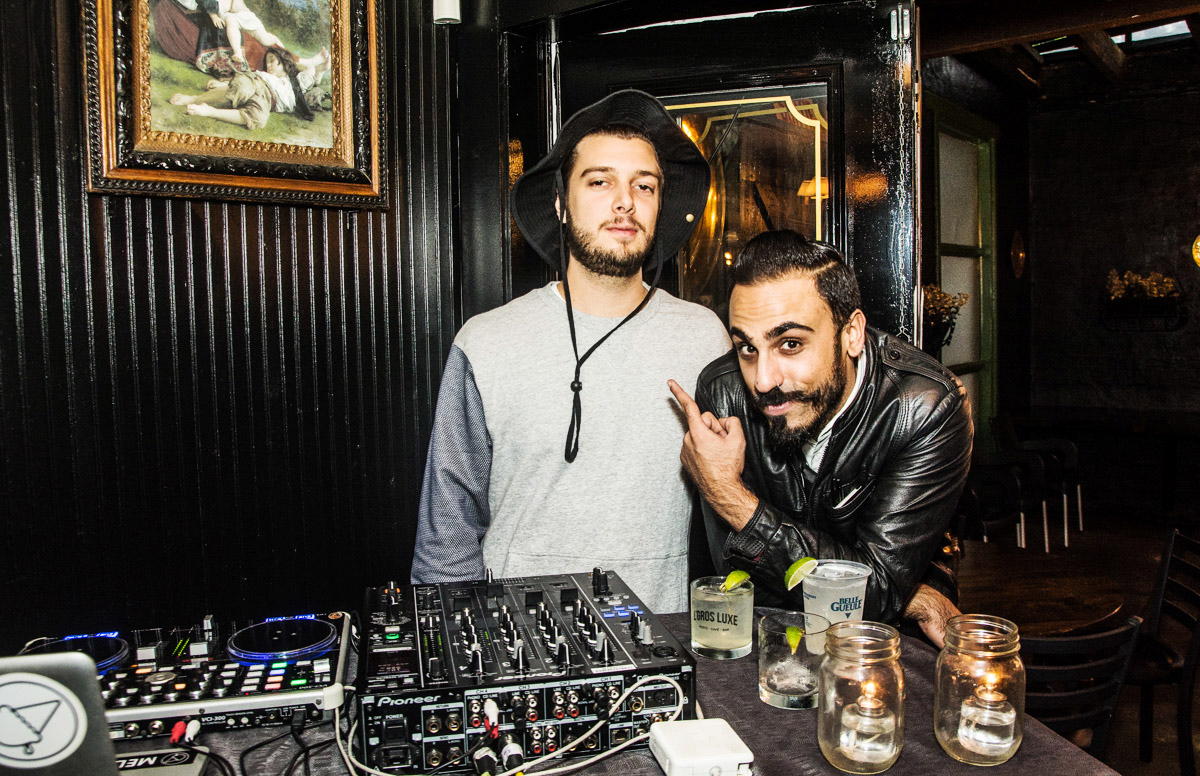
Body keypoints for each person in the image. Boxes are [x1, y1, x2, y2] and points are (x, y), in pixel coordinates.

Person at [411, 90, 731, 613]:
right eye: (600, 181)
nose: (625, 201)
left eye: (644, 185)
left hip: (659, 638)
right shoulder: (487, 341)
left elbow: (744, 503)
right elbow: (447, 531)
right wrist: (461, 638)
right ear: (561, 204)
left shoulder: (704, 338)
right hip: (517, 642)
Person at [668, 229, 971, 645]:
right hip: (769, 642)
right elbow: (737, 585)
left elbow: (873, 598)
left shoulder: (924, 407)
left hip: (878, 649)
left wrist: (730, 497)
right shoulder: (723, 391)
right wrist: (903, 594)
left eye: (790, 343)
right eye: (747, 348)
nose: (763, 380)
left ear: (851, 334)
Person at [168, 46, 323, 129]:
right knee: (240, 90)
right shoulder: (264, 74)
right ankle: (193, 99)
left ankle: (210, 111)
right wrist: (223, 84)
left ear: (284, 62)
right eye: (267, 62)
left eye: (273, 60)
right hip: (255, 82)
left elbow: (311, 70)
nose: (268, 65)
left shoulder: (296, 83)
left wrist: (321, 67)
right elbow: (244, 82)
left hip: (268, 101)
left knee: (259, 120)